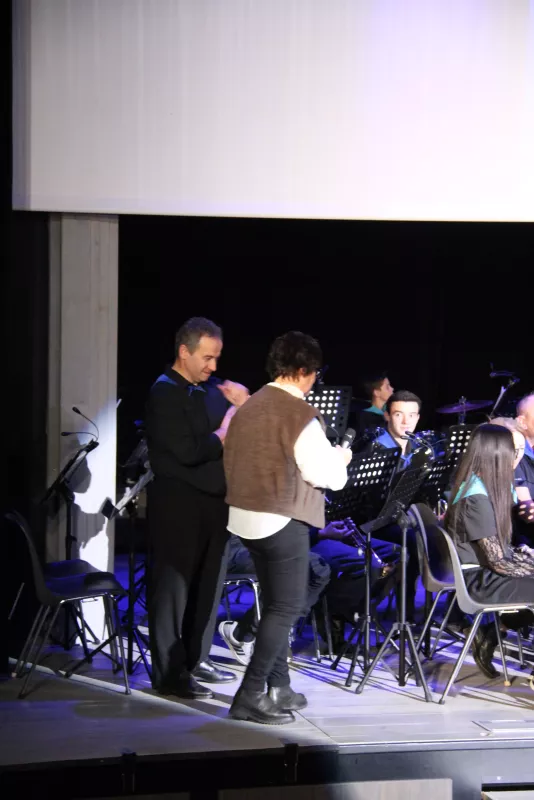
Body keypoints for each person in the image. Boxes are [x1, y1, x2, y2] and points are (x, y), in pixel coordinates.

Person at [223, 331, 351, 724]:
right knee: (286, 606)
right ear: (303, 370)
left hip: (245, 519)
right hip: (280, 519)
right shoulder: (299, 415)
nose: (314, 381)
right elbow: (327, 477)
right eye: (314, 373)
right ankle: (250, 694)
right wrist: (341, 459)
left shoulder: (249, 407)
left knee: (275, 601)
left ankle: (279, 685)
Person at [145, 317, 249, 699]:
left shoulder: (209, 390)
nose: (213, 366)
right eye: (207, 357)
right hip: (178, 506)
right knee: (174, 591)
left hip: (214, 503)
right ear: (184, 352)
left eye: (217, 357)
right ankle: (169, 674)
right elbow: (190, 452)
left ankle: (196, 658)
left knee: (208, 587)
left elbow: (240, 423)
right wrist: (225, 431)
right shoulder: (164, 392)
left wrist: (243, 404)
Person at [220, 522, 398, 662]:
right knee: (303, 566)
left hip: (293, 536)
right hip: (240, 542)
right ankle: (251, 632)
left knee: (397, 554)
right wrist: (318, 533)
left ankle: (288, 625)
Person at [445, 423, 534, 679]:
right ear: (496, 455)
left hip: (486, 571)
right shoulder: (475, 497)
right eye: (512, 451)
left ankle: (492, 632)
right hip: (478, 581)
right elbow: (499, 562)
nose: (517, 457)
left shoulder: (482, 485)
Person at [219, 535, 331, 665]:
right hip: (234, 545)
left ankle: (276, 628)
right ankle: (249, 634)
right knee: (289, 564)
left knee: (319, 569)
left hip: (265, 542)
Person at [374, 389, 422, 469]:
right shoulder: (377, 450)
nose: (406, 421)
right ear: (387, 416)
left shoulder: (417, 448)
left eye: (411, 415)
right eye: (398, 415)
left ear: (418, 418)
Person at [355, 373, 394, 437]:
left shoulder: (389, 411)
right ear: (377, 393)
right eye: (387, 387)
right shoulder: (366, 417)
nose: (392, 389)